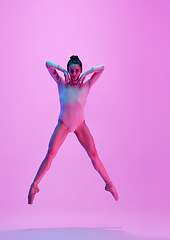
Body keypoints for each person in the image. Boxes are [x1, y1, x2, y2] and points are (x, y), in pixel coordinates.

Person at [28, 55, 118, 204]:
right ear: (68, 72)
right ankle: (34, 186)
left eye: (77, 71)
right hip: (63, 123)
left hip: (80, 124)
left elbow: (101, 69)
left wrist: (86, 73)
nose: (75, 74)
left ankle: (110, 185)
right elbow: (47, 64)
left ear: (80, 71)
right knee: (50, 154)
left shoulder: (86, 85)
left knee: (94, 154)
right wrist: (62, 69)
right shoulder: (61, 83)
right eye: (72, 71)